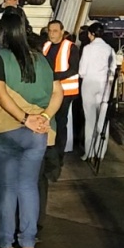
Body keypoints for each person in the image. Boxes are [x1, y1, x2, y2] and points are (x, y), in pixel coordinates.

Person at [0, 12, 63, 248]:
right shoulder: (41, 60)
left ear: (3, 33)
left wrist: (23, 117)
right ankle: (28, 244)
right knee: (28, 187)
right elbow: (57, 92)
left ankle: (5, 244)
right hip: (37, 133)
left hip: (8, 130)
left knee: (6, 189)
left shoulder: (0, 58)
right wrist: (44, 118)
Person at [79, 23, 117, 161]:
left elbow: (82, 71)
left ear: (91, 34)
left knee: (90, 120)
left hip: (89, 84)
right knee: (102, 119)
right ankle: (100, 152)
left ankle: (89, 152)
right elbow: (113, 69)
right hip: (105, 85)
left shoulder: (88, 49)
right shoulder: (110, 49)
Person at [42, 20, 81, 156]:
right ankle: (50, 148)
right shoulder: (46, 46)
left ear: (62, 32)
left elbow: (74, 69)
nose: (52, 34)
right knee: (49, 118)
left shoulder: (70, 47)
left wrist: (54, 76)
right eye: (50, 31)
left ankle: (59, 152)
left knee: (60, 120)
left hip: (66, 91)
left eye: (55, 31)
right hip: (50, 89)